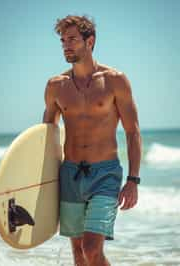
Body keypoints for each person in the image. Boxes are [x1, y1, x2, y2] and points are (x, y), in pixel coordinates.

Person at [43, 15, 142, 266]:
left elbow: (132, 131)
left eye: (73, 39)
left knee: (91, 250)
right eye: (63, 40)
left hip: (105, 174)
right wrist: (39, 184)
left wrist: (133, 180)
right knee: (78, 254)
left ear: (90, 41)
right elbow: (46, 136)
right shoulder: (56, 86)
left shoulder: (115, 80)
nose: (66, 45)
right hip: (69, 174)